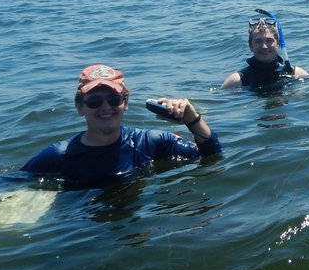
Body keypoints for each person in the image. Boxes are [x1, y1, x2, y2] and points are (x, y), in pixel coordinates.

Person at [20, 63, 221, 187]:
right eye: (94, 101)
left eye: (113, 99)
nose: (106, 107)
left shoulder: (151, 142)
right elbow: (14, 183)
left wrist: (192, 119)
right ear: (79, 107)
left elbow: (212, 156)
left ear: (125, 103)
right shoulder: (58, 157)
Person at [221, 10, 309, 90]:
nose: (264, 46)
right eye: (258, 41)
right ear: (250, 46)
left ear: (278, 44)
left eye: (269, 40)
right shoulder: (237, 81)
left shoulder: (296, 73)